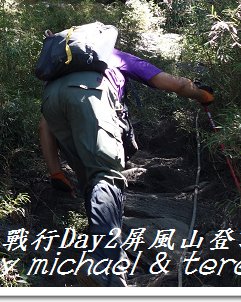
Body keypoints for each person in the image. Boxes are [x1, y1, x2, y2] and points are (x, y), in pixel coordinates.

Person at [37, 46, 213, 287]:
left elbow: (44, 126)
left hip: (51, 102)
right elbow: (175, 84)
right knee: (105, 176)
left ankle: (108, 265)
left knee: (93, 181)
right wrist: (203, 95)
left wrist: (56, 172)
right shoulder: (113, 55)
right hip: (91, 93)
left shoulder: (61, 68)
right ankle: (101, 263)